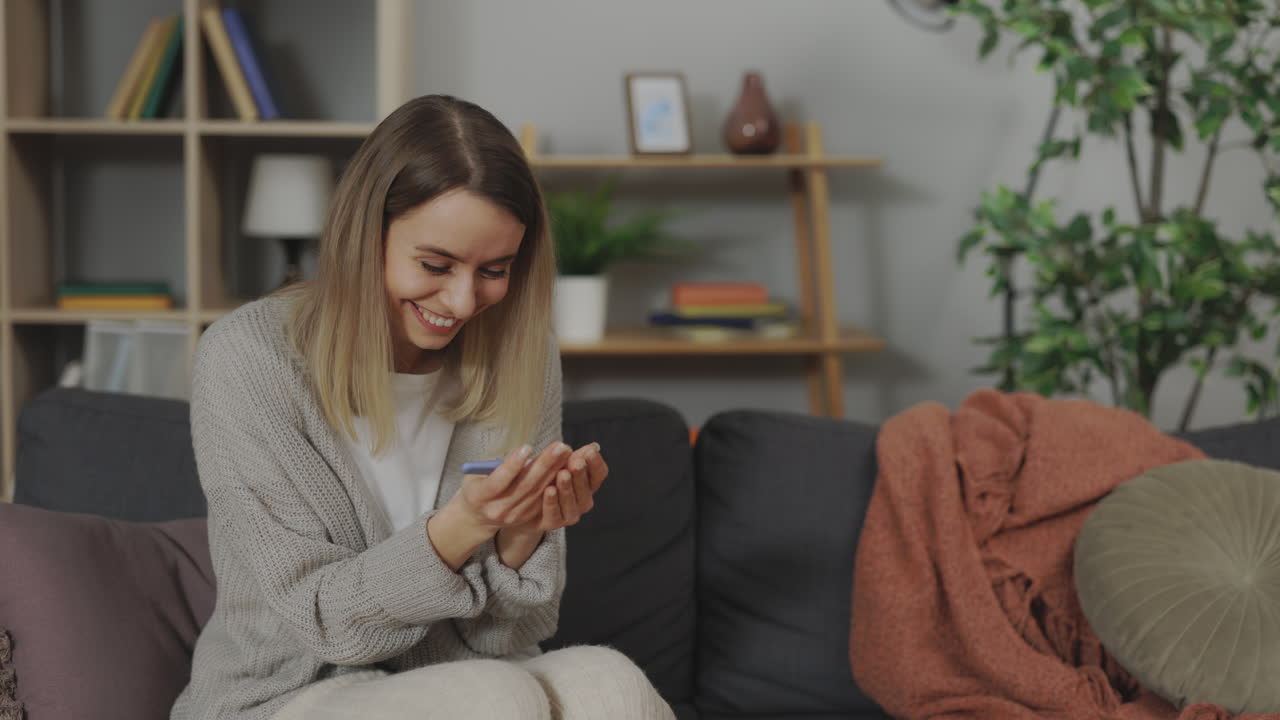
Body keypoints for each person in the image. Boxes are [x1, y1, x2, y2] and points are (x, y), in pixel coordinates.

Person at [171, 95, 675, 720]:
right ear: (365, 236)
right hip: (286, 692)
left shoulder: (522, 353)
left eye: (494, 269)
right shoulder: (249, 357)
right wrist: (462, 526)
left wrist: (522, 535)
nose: (463, 302)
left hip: (466, 678)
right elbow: (323, 621)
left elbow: (515, 635)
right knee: (492, 698)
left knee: (613, 684)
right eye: (436, 264)